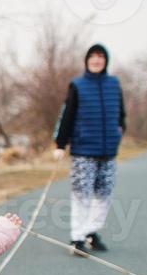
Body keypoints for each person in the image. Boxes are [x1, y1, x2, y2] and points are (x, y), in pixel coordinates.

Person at [53, 43, 126, 256]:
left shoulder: (114, 84)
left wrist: (119, 131)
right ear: (87, 60)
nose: (97, 60)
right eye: (93, 57)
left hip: (108, 151)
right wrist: (60, 144)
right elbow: (67, 116)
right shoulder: (77, 85)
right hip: (84, 150)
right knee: (81, 195)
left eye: (100, 57)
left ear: (105, 61)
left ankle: (91, 232)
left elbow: (121, 113)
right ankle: (77, 238)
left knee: (104, 195)